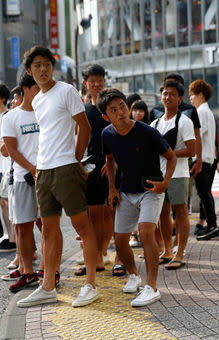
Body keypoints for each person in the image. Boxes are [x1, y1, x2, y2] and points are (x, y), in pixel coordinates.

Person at [17, 46, 99, 308]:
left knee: (82, 227)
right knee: (48, 229)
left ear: (53, 67)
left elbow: (84, 126)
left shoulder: (66, 90)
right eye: (37, 66)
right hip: (43, 170)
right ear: (30, 71)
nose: (43, 69)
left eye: (47, 64)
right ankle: (48, 286)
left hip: (65, 167)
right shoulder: (38, 99)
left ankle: (90, 285)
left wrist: (76, 158)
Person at [99, 88, 176, 306]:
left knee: (145, 232)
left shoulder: (147, 132)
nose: (120, 112)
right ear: (107, 116)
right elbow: (109, 159)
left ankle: (152, 287)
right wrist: (112, 188)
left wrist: (166, 183)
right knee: (121, 241)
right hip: (125, 191)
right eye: (114, 110)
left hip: (151, 190)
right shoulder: (107, 134)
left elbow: (170, 158)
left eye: (122, 106)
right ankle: (134, 275)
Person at [1, 73, 42, 292]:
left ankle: (47, 269)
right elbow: (11, 150)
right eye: (37, 87)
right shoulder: (11, 117)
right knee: (23, 228)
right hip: (22, 179)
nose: (41, 92)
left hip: (47, 178)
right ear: (25, 89)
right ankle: (28, 272)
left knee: (48, 226)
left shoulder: (46, 113)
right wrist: (31, 168)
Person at [73, 64, 114, 277]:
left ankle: (100, 254)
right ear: (85, 83)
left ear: (104, 81)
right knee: (92, 213)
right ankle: (96, 255)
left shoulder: (111, 106)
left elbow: (121, 134)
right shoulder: (82, 109)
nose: (96, 84)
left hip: (109, 166)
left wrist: (113, 162)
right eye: (92, 81)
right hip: (89, 167)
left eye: (100, 80)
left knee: (105, 213)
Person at [150, 80, 195, 269]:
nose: (168, 97)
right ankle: (167, 251)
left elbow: (191, 150)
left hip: (179, 173)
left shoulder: (185, 121)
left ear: (180, 99)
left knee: (181, 212)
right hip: (159, 174)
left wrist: (169, 154)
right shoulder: (155, 123)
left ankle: (180, 253)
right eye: (165, 94)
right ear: (161, 97)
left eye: (172, 94)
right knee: (162, 213)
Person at [188, 80, 219, 240]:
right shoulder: (208, 111)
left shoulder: (201, 112)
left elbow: (197, 136)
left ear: (200, 95)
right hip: (210, 158)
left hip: (202, 158)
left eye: (192, 95)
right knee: (205, 193)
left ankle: (212, 224)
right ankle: (208, 224)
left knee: (203, 193)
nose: (191, 99)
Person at [0, 83, 16, 253]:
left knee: (8, 203)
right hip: (1, 167)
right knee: (3, 203)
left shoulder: (8, 116)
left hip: (7, 166)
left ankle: (13, 239)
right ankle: (9, 235)